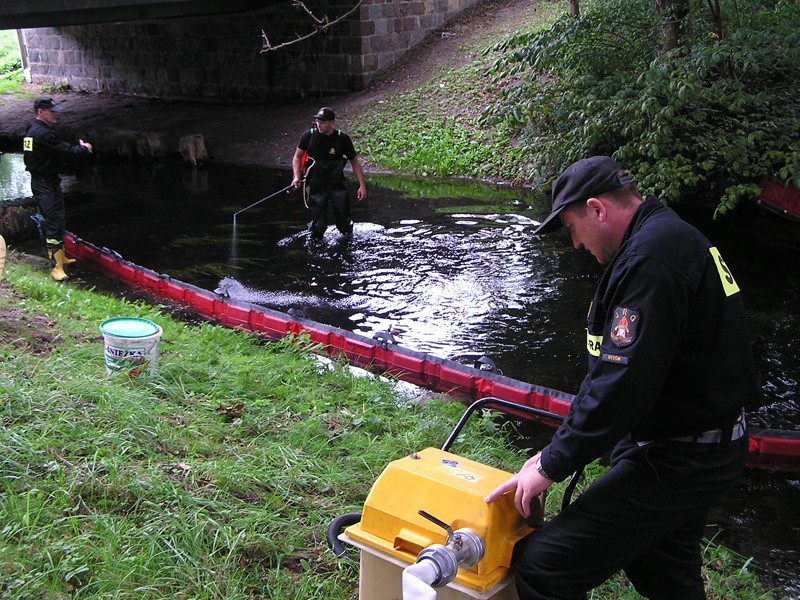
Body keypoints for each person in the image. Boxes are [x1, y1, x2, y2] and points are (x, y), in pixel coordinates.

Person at [486, 156, 759, 599]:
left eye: (573, 228)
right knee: (664, 573)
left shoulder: (651, 260)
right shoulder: (659, 238)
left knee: (546, 568)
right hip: (692, 441)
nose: (574, 244)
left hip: (682, 457)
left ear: (597, 209)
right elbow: (613, 374)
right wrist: (551, 453)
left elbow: (621, 385)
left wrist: (552, 465)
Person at [23, 97, 94, 281]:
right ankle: (56, 267)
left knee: (56, 218)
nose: (56, 113)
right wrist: (84, 149)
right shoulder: (42, 134)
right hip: (45, 183)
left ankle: (61, 257)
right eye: (51, 111)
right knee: (54, 221)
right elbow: (66, 152)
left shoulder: (32, 130)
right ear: (40, 112)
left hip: (44, 180)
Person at [291, 107, 367, 241]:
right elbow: (297, 157)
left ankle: (347, 245)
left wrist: (362, 185)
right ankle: (317, 250)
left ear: (332, 123)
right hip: (316, 185)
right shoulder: (308, 136)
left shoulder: (342, 139)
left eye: (323, 122)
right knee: (317, 227)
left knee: (344, 222)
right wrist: (296, 177)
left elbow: (354, 161)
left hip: (337, 184)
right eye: (317, 121)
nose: (319, 125)